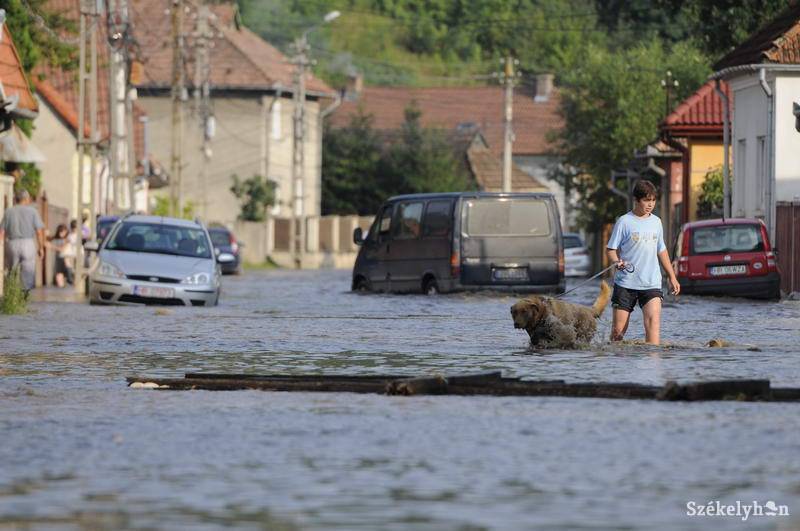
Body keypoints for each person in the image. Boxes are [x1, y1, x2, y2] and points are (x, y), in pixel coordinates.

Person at [606, 180, 680, 345]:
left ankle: (652, 365)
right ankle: (615, 364)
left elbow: (661, 250)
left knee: (653, 325)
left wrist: (672, 277)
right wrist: (617, 261)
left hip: (651, 283)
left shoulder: (657, 222)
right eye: (647, 200)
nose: (651, 204)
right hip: (626, 283)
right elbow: (611, 249)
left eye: (653, 200)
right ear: (636, 200)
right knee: (618, 332)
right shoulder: (624, 222)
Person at [0, 189, 45, 291]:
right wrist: (41, 248)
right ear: (26, 199)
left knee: (11, 271)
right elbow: (39, 231)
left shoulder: (8, 211)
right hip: (28, 243)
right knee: (28, 273)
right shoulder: (33, 211)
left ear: (15, 199)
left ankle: (12, 295)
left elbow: (1, 232)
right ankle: (24, 296)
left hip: (12, 243)